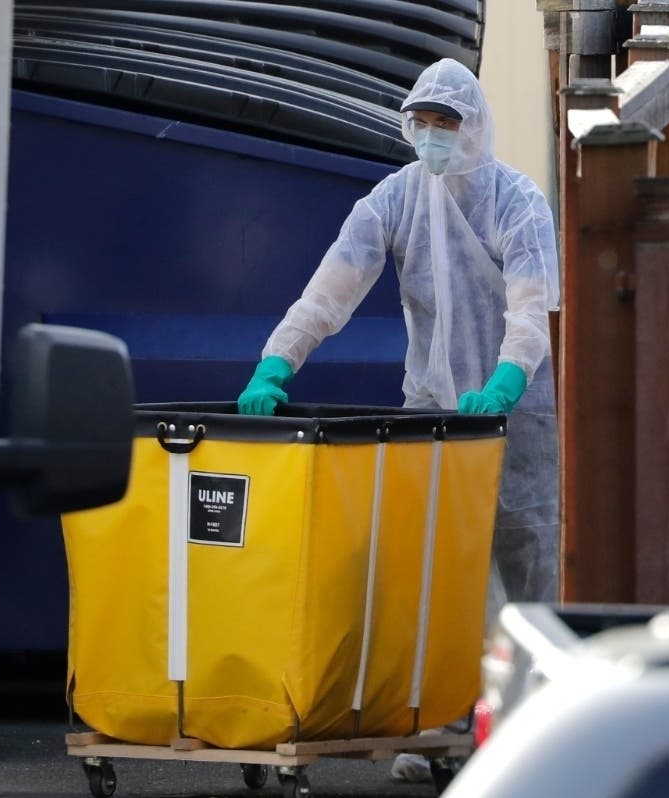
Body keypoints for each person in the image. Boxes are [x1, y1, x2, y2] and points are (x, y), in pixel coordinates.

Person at [236, 58, 559, 781]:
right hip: (432, 414)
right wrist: (276, 363)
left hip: (514, 413)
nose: (434, 136)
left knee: (525, 569)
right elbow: (330, 290)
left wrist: (505, 383)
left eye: (447, 123)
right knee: (432, 574)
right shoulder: (394, 200)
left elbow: (530, 311)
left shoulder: (518, 202)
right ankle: (436, 724)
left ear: (475, 127)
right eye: (423, 122)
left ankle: (535, 736)